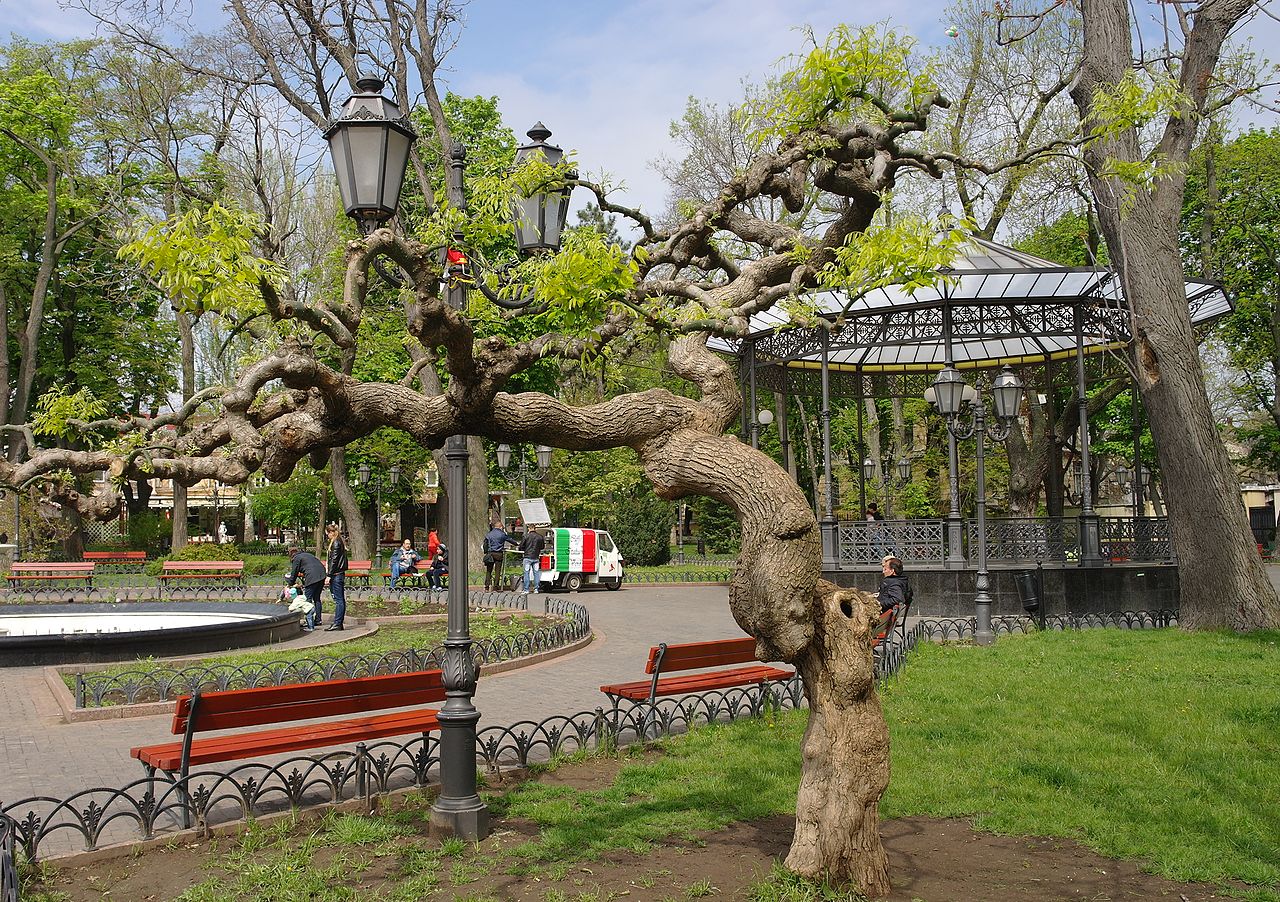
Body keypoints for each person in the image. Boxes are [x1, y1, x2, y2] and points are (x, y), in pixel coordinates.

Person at [285, 545, 327, 627]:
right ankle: (318, 620)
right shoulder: (307, 555)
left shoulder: (296, 558)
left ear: (291, 554)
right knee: (317, 598)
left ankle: (309, 622)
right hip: (322, 575)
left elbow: (294, 574)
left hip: (312, 577)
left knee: (307, 599)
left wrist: (289, 584)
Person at [324, 523, 348, 631]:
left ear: (332, 532)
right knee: (339, 599)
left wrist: (329, 575)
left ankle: (338, 623)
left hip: (336, 575)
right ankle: (338, 622)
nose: (327, 536)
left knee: (339, 600)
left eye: (328, 533)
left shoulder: (336, 543)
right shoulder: (337, 541)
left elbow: (334, 560)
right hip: (338, 574)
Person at [482, 520, 514, 590]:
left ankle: (486, 586)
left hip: (490, 554)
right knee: (497, 571)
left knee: (489, 570)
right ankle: (496, 586)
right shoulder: (502, 534)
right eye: (502, 527)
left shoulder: (489, 534)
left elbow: (485, 544)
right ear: (500, 526)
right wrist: (516, 544)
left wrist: (486, 552)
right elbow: (510, 540)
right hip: (499, 554)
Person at [519, 527, 546, 593]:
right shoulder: (540, 537)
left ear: (529, 528)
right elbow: (542, 547)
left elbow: (521, 546)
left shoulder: (526, 536)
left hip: (527, 557)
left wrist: (524, 549)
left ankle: (526, 589)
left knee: (526, 573)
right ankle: (536, 589)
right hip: (536, 557)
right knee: (536, 573)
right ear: (535, 529)